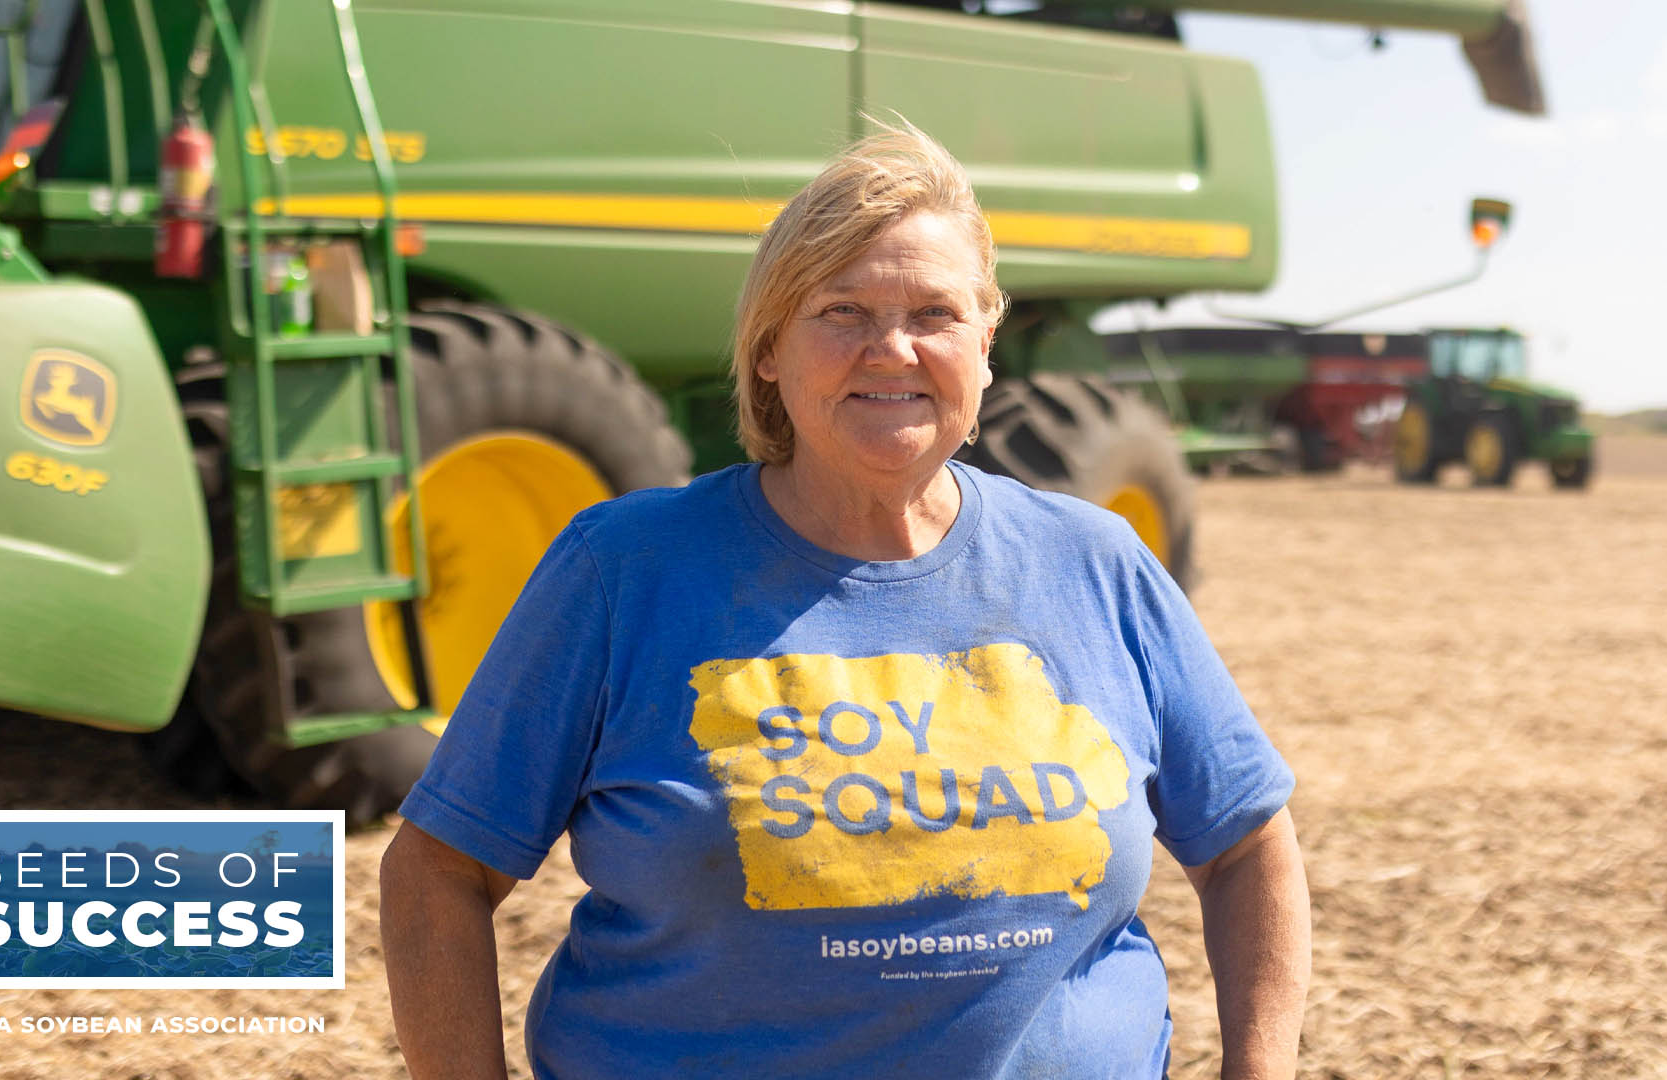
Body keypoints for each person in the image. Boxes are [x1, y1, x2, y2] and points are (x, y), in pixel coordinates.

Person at [380, 121, 1311, 1080]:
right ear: (770, 349)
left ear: (986, 347)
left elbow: (1248, 847)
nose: (892, 350)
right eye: (843, 312)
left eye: (936, 316)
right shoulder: (624, 571)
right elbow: (438, 871)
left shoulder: (1095, 563)